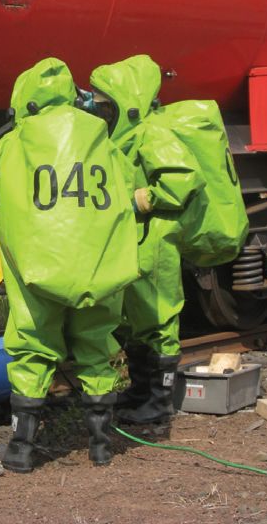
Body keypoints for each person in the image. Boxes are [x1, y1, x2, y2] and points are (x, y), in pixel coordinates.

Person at [0, 58, 138, 471]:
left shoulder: (13, 144)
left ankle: (22, 449)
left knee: (32, 347)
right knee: (97, 345)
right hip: (98, 268)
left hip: (38, 270)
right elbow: (129, 184)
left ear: (25, 102)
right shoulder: (103, 139)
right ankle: (101, 445)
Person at [85, 54, 206, 424]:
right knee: (132, 319)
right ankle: (140, 392)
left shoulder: (151, 133)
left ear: (128, 104)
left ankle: (159, 402)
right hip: (132, 241)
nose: (100, 111)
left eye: (106, 105)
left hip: (154, 241)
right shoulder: (120, 138)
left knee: (158, 318)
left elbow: (183, 179)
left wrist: (142, 199)